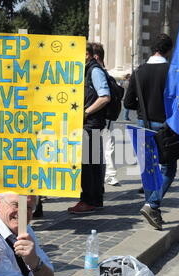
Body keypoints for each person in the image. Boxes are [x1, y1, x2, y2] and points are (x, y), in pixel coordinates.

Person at [123, 33, 174, 231]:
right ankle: (152, 205)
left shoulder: (138, 72)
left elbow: (127, 103)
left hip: (142, 125)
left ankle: (154, 210)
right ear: (168, 50)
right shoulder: (171, 70)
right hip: (164, 126)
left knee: (149, 170)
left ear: (153, 48)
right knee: (168, 169)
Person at [68, 43, 110, 213]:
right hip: (89, 124)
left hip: (90, 124)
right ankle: (94, 199)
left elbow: (105, 97)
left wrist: (85, 113)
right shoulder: (89, 70)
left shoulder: (94, 71)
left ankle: (89, 200)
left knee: (88, 164)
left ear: (86, 54)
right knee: (90, 163)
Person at [91, 42, 120, 187]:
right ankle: (107, 174)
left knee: (107, 145)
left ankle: (110, 174)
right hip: (101, 116)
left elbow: (104, 96)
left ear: (95, 56)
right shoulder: (103, 72)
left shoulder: (98, 72)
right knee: (103, 147)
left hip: (103, 115)